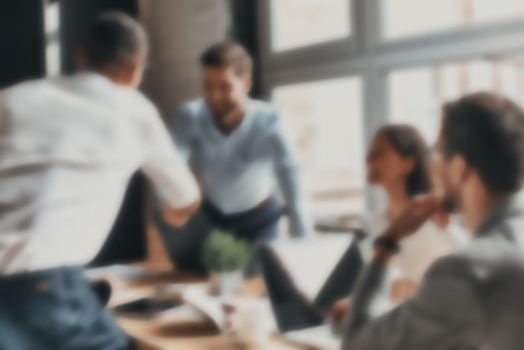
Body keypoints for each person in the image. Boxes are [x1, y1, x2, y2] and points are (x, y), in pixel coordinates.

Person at [0, 12, 200, 350]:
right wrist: (174, 214)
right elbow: (186, 198)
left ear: (81, 57)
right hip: (40, 291)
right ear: (134, 69)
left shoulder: (13, 99)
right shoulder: (133, 109)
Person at [342, 92, 524, 350]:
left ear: (460, 168)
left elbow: (358, 343)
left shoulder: (466, 270)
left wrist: (387, 242)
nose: (433, 165)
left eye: (438, 153)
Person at [157, 41, 311, 272]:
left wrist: (302, 241)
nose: (215, 96)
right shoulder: (190, 116)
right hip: (213, 220)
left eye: (225, 86)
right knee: (196, 279)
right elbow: (169, 164)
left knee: (257, 284)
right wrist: (167, 201)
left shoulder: (270, 120)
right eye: (208, 85)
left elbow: (291, 175)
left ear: (246, 84)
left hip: (259, 221)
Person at [331, 124, 466, 322]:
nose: (369, 160)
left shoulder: (439, 229)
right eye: (369, 153)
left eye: (379, 153)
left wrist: (405, 292)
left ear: (408, 163)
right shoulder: (371, 224)